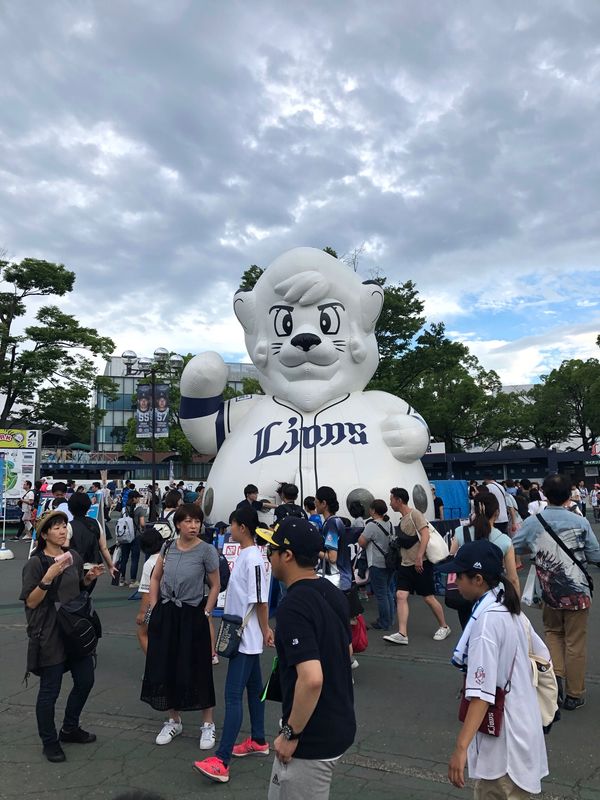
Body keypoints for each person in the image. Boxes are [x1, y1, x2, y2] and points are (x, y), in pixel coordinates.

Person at [438, 539, 549, 798]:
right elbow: (542, 656)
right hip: (523, 730)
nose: (454, 582)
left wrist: (460, 748)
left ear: (477, 579)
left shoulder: (486, 623)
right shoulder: (509, 608)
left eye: (458, 576)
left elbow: (482, 694)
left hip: (504, 749)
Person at [257, 517, 356, 800]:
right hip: (339, 722)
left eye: (270, 551)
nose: (269, 556)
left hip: (311, 737)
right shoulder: (332, 592)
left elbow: (312, 679)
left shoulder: (293, 605)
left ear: (286, 556)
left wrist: (291, 734)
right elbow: (346, 651)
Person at [194, 507, 274, 784]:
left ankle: (222, 759)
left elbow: (260, 600)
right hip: (246, 635)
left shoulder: (251, 559)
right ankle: (259, 740)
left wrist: (265, 629)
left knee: (232, 696)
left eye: (233, 524)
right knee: (253, 691)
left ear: (242, 526)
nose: (230, 528)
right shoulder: (249, 556)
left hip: (246, 637)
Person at [20, 510, 104, 763]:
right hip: (50, 632)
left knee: (85, 680)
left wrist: (88, 578)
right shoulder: (35, 564)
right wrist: (47, 577)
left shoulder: (73, 557)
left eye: (64, 525)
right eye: (56, 527)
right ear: (44, 534)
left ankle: (70, 727)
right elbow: (32, 602)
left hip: (74, 629)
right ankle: (49, 741)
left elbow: (76, 589)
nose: (62, 530)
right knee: (50, 690)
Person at [513, 473, 600, 711]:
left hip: (549, 593)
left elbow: (515, 545)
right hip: (579, 593)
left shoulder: (533, 522)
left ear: (545, 494)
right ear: (569, 495)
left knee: (552, 634)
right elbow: (595, 555)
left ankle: (555, 684)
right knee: (575, 642)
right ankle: (575, 693)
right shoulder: (580, 522)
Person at [141, 503, 220, 749]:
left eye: (197, 521)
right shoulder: (168, 547)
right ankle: (173, 719)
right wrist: (155, 607)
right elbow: (156, 577)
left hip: (192, 613)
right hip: (168, 612)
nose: (193, 526)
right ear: (178, 524)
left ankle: (208, 724)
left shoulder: (206, 551)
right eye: (188, 521)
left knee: (198, 666)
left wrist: (206, 610)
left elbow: (215, 584)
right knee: (167, 664)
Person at [383, 487, 451, 646]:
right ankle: (402, 633)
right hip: (405, 564)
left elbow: (425, 534)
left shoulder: (415, 515)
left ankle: (444, 626)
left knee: (428, 597)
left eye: (391, 499)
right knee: (400, 595)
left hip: (421, 564)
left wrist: (420, 557)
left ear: (399, 500)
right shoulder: (402, 519)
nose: (390, 502)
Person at [449, 493, 520, 630]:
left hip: (466, 593)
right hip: (494, 597)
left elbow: (453, 559)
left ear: (474, 510)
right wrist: (516, 606)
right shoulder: (504, 540)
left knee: (469, 632)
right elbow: (513, 578)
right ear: (497, 513)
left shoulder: (459, 532)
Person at [357, 499, 395, 630]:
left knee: (381, 594)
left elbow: (362, 542)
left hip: (377, 563)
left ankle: (384, 622)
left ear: (373, 510)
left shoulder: (371, 525)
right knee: (388, 592)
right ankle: (390, 619)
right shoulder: (389, 523)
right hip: (390, 562)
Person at [67, 492, 118, 586]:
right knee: (85, 593)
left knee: (75, 595)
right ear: (88, 507)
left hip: (75, 568)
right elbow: (104, 548)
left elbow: (65, 548)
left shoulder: (68, 526)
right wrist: (110, 566)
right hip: (94, 567)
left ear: (69, 508)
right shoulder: (95, 523)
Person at [135, 528, 164, 655]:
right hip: (173, 604)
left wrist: (142, 613)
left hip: (156, 606)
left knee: (142, 633)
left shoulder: (150, 563)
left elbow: (147, 591)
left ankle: (154, 664)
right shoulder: (169, 556)